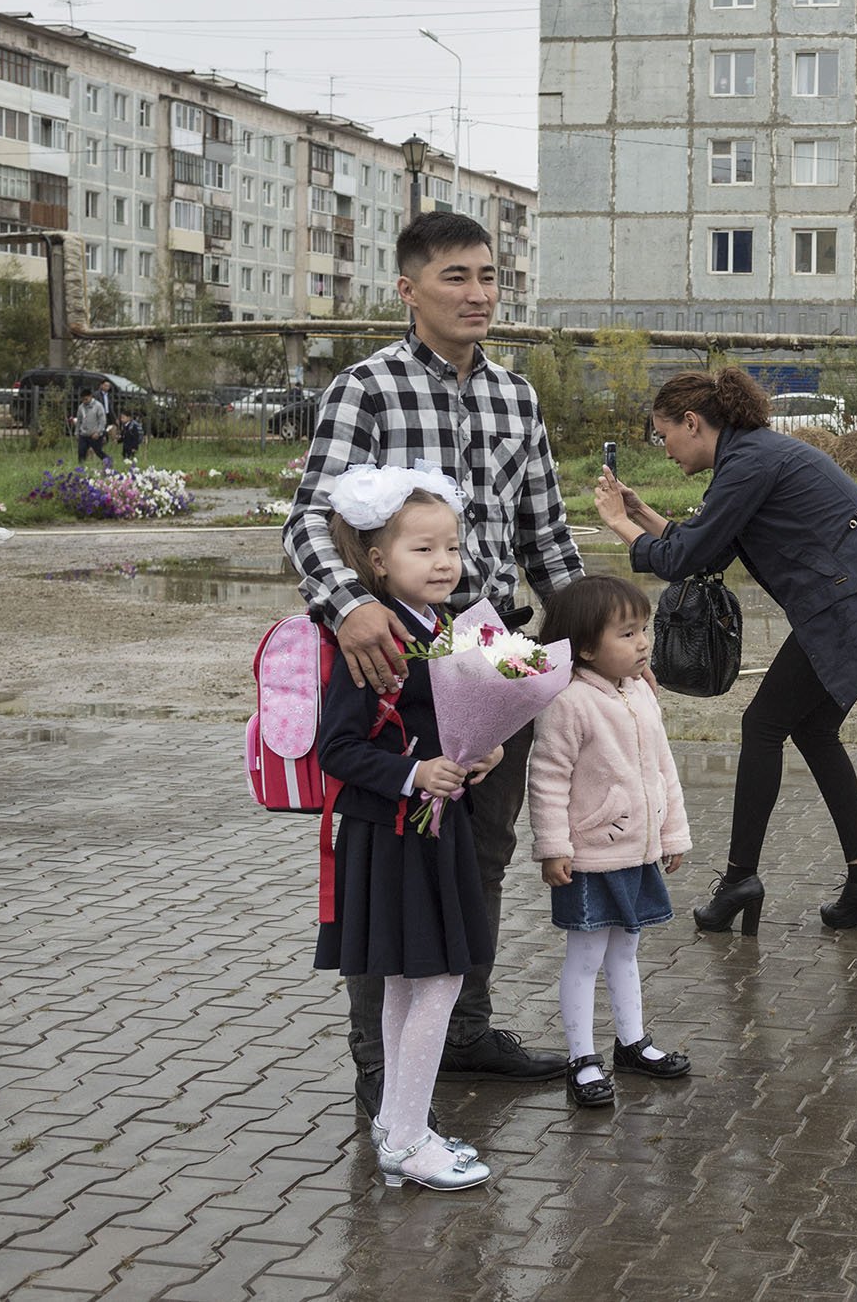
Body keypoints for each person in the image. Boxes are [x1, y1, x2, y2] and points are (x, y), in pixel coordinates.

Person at [284, 209, 584, 1115]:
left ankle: (463, 1031)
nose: (479, 293)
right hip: (401, 659)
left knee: (480, 851)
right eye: (456, 276)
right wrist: (353, 606)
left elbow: (547, 533)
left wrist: (593, 641)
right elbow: (307, 520)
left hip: (491, 658)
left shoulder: (516, 397)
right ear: (410, 289)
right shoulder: (365, 390)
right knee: (395, 854)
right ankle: (381, 1070)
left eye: (489, 276)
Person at [594, 367, 857, 938]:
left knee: (762, 725)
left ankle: (740, 881)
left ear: (691, 422)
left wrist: (617, 527)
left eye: (664, 436)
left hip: (851, 604)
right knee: (812, 730)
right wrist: (641, 517)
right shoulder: (749, 457)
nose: (665, 451)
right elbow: (703, 548)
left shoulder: (748, 464)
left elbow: (683, 560)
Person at [311, 466, 496, 1189]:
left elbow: (453, 721)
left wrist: (487, 748)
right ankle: (410, 1135)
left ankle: (397, 1122)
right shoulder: (375, 637)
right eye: (423, 549)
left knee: (407, 983)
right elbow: (338, 747)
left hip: (432, 827)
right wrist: (413, 774)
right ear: (378, 560)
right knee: (440, 977)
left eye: (450, 546)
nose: (444, 561)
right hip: (392, 831)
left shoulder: (450, 627)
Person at [530, 575, 693, 1107]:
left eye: (643, 629)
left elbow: (663, 765)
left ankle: (633, 1043)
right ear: (584, 647)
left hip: (638, 851)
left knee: (626, 951)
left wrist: (673, 831)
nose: (643, 642)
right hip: (591, 857)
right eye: (627, 634)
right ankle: (582, 1059)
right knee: (585, 956)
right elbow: (548, 777)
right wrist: (554, 846)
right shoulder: (569, 702)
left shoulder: (641, 692)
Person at [74, 389, 111, 467]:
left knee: (98, 451)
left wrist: (98, 432)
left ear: (90, 397)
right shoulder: (81, 407)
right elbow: (79, 421)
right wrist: (77, 432)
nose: (84, 401)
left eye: (86, 399)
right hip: (84, 434)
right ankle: (81, 468)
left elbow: (102, 421)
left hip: (95, 435)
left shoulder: (98, 406)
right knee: (81, 451)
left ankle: (108, 462)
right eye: (83, 399)